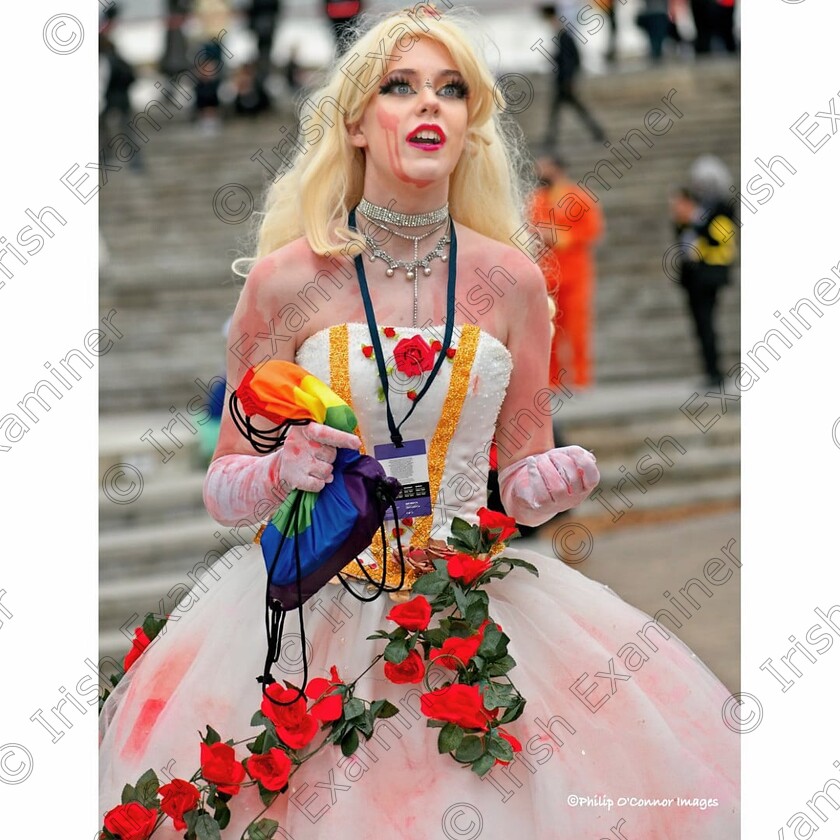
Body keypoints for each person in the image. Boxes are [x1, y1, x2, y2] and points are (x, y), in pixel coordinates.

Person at [99, 9, 739, 836]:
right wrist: (276, 470)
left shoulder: (512, 280)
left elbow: (525, 472)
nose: (428, 105)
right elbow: (225, 488)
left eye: (450, 90)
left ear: (471, 124)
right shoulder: (284, 280)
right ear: (358, 122)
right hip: (313, 608)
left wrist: (552, 478)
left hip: (471, 610)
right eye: (401, 88)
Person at [530, 154, 604, 390]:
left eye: (544, 167)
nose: (540, 172)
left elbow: (592, 230)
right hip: (547, 276)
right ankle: (552, 380)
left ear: (557, 169)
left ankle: (581, 378)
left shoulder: (578, 197)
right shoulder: (537, 200)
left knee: (577, 328)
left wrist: (560, 237)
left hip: (575, 274)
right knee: (549, 329)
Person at [670, 154, 737, 386]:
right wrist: (684, 219)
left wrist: (695, 220)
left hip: (710, 273)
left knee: (707, 323)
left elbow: (719, 237)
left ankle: (715, 373)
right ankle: (710, 371)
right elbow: (684, 239)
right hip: (692, 276)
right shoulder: (697, 208)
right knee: (700, 324)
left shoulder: (722, 208)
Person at [540, 4, 606, 147]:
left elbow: (571, 60)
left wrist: (569, 80)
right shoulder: (561, 34)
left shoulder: (564, 36)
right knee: (564, 110)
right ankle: (551, 138)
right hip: (563, 81)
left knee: (569, 109)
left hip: (564, 82)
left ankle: (596, 131)